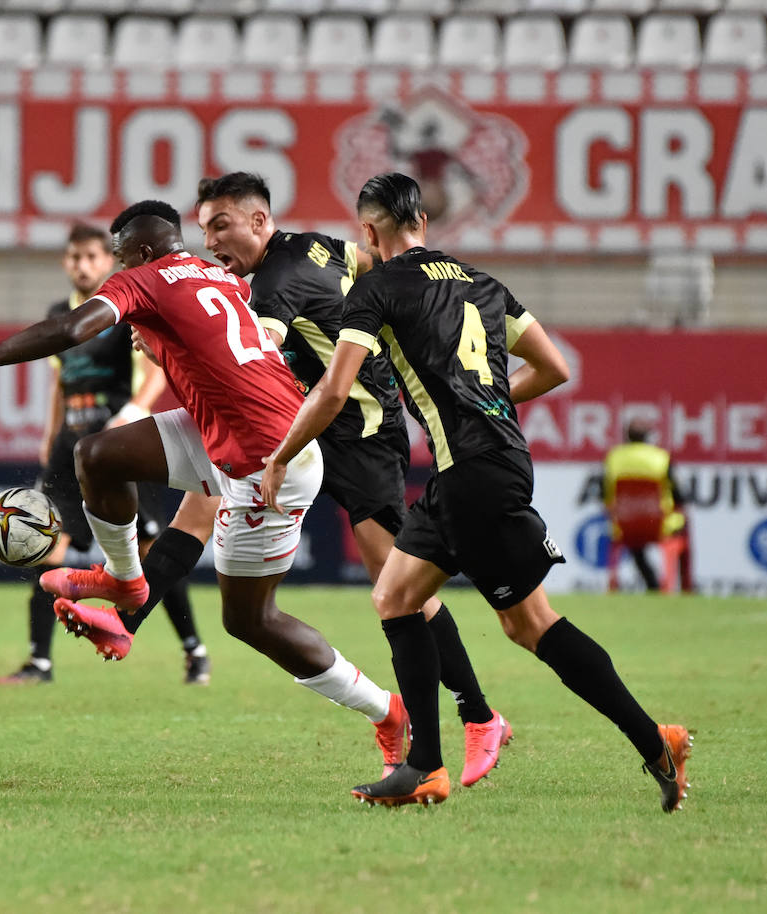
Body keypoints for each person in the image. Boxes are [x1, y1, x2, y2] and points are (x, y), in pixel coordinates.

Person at [0, 200, 410, 778]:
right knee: (96, 456)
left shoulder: (143, 278)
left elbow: (73, 328)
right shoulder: (218, 275)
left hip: (268, 461)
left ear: (142, 253)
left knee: (251, 621)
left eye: (119, 256)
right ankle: (126, 582)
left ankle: (387, 712)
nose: (113, 271)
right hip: (235, 428)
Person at [261, 173, 691, 811]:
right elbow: (555, 368)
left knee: (527, 623)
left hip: (470, 474)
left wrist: (279, 459)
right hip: (488, 465)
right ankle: (426, 766)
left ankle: (653, 739)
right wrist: (485, 403)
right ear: (424, 224)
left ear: (369, 234)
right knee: (404, 598)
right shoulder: (484, 285)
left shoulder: (375, 287)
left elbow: (330, 391)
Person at [71, 171, 513, 787]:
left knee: (398, 584)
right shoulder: (322, 247)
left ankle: (480, 713)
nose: (211, 242)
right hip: (305, 421)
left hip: (357, 430)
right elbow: (370, 264)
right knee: (200, 505)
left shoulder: (273, 286)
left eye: (221, 227)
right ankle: (128, 618)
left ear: (259, 220)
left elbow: (254, 350)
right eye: (203, 231)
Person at [0, 223, 210, 686]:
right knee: (47, 550)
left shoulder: (121, 311)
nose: (82, 265)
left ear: (108, 261)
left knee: (151, 554)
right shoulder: (58, 313)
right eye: (74, 257)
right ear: (65, 262)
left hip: (122, 447)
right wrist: (49, 437)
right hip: (67, 449)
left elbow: (154, 368)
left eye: (91, 256)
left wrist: (135, 409)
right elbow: (59, 383)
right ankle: (39, 663)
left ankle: (195, 651)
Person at [602, 420, 694, 594]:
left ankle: (652, 584)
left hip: (624, 525)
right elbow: (680, 497)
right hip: (660, 525)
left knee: (636, 543)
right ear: (648, 438)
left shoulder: (614, 457)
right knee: (685, 524)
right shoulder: (661, 458)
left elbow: (606, 494)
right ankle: (686, 587)